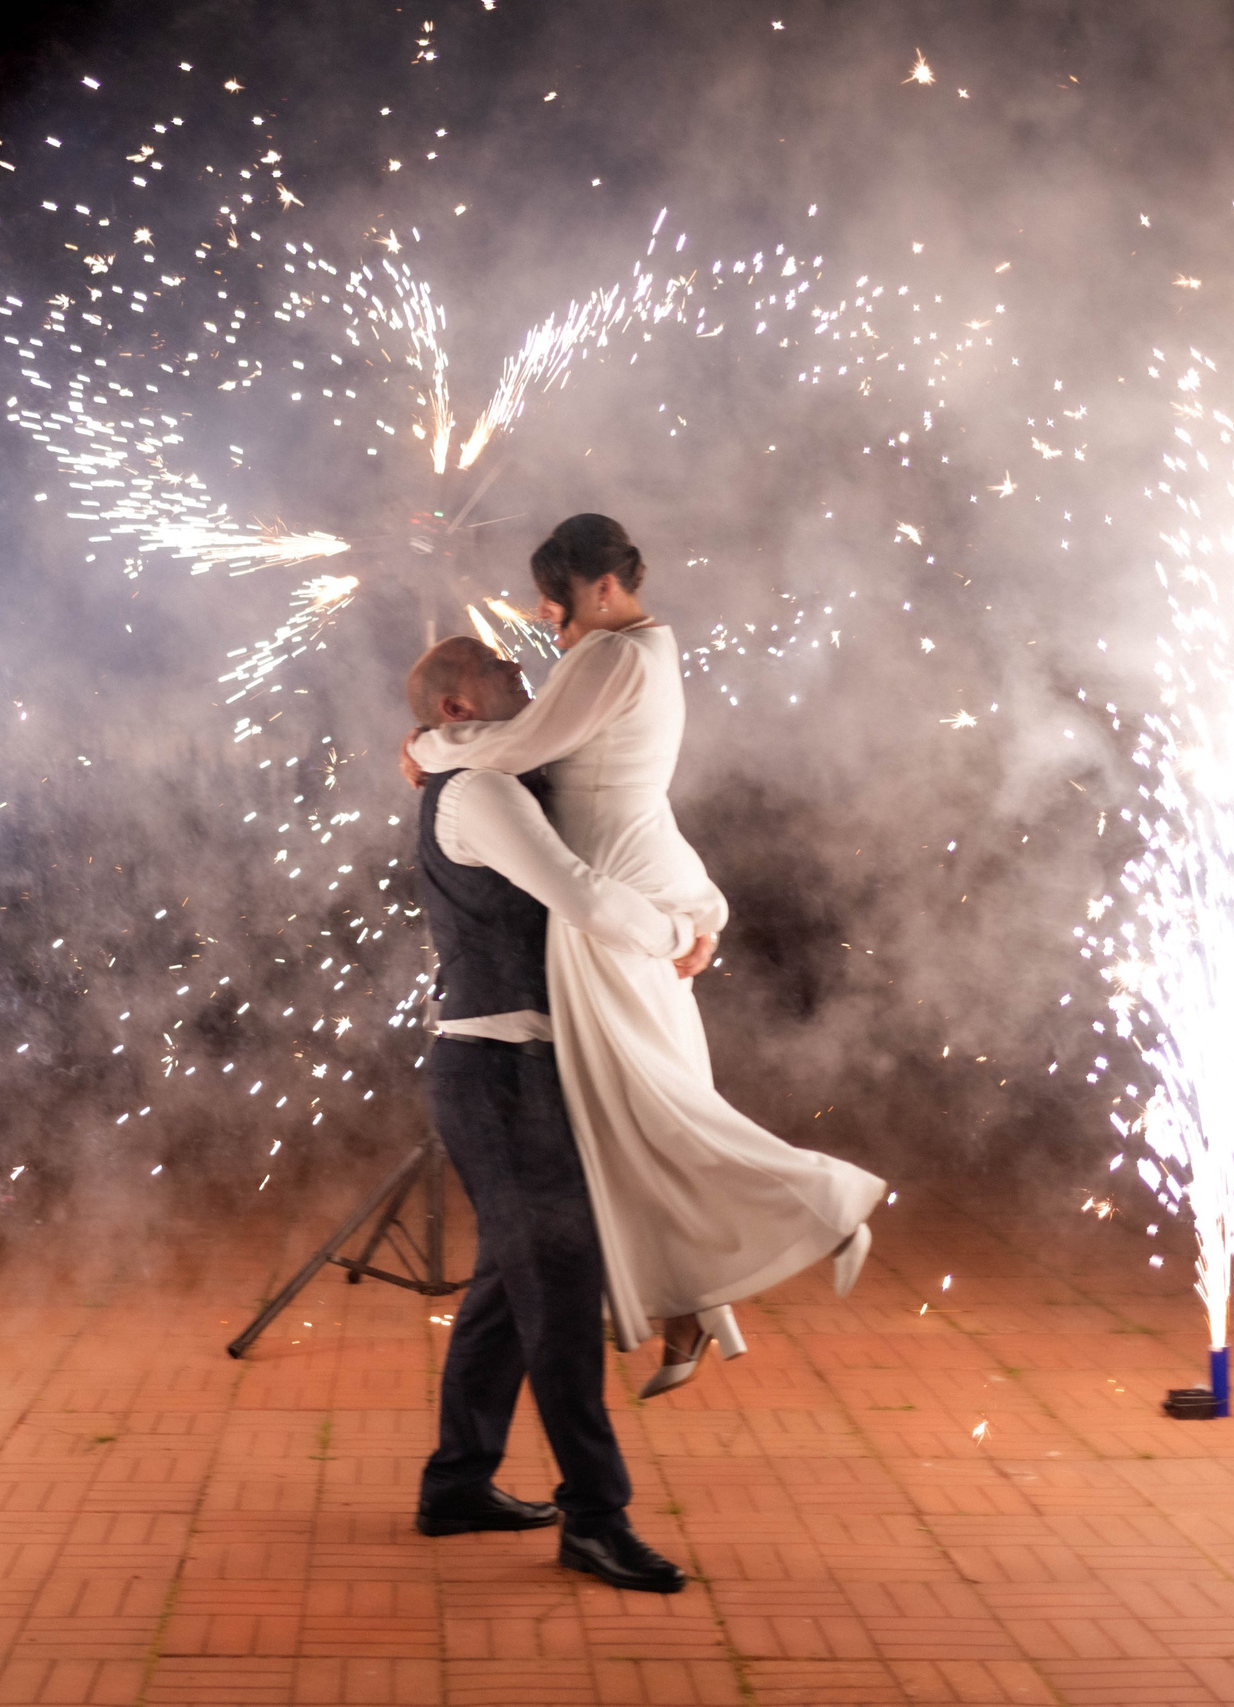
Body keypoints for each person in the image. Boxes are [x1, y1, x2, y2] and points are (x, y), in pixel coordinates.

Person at [405, 514, 885, 1398]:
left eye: (559, 615)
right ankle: (692, 1310)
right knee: (642, 1110)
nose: (554, 637)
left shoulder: (611, 656)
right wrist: (695, 902)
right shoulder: (650, 651)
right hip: (631, 871)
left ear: (602, 589)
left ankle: (822, 1206)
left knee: (646, 1109)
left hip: (607, 901)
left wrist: (429, 749)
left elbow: (517, 747)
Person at [405, 634, 689, 1594]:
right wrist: (678, 934)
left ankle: (457, 1484)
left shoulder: (488, 776)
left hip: (509, 1069)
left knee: (507, 1279)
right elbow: (578, 894)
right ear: (454, 709)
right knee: (560, 1290)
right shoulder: (480, 791)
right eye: (498, 671)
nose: (524, 676)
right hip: (500, 1074)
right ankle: (596, 1518)